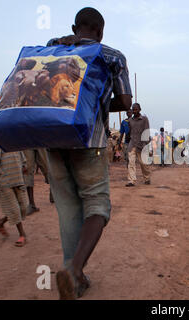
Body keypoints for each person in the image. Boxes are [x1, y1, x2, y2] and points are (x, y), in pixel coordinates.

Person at [46, 7, 133, 299]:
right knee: (97, 205)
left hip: (52, 140)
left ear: (74, 27)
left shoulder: (53, 48)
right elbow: (124, 100)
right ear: (101, 31)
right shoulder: (111, 56)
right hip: (89, 140)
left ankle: (74, 273)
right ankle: (74, 270)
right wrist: (96, 101)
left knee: (68, 210)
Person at [0, 144, 28, 247]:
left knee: (23, 207)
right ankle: (22, 235)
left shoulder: (17, 146)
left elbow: (23, 162)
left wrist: (23, 169)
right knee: (14, 210)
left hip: (19, 182)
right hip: (6, 184)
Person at [126, 103, 151, 186]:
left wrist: (145, 144)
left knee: (144, 164)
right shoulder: (130, 121)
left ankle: (147, 178)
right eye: (133, 109)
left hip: (142, 144)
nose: (134, 111)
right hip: (132, 144)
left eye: (136, 109)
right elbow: (129, 132)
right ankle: (131, 180)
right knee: (131, 163)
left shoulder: (144, 119)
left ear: (140, 109)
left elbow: (146, 132)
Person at [23, 148, 51, 213]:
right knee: (28, 169)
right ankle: (31, 203)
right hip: (26, 141)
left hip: (41, 140)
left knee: (46, 166)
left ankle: (52, 188)